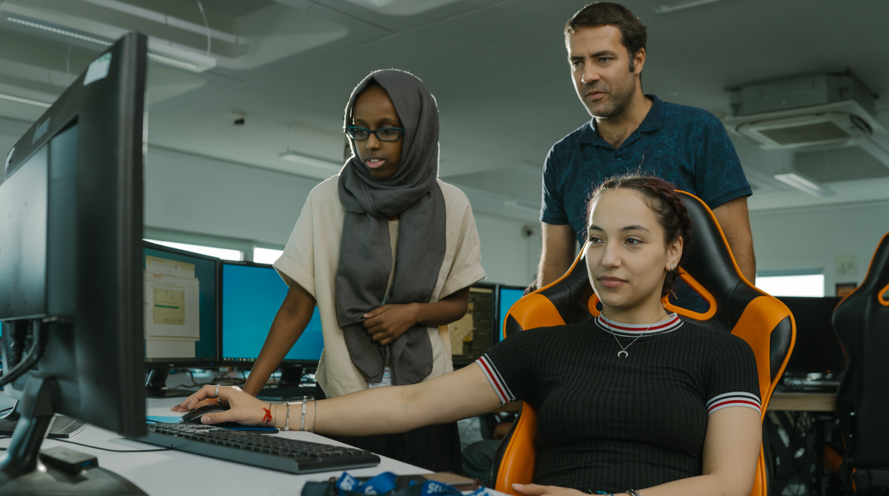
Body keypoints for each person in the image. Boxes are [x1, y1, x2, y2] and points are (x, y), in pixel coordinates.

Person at [176, 173, 763, 496]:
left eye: (633, 240)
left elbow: (732, 483)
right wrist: (272, 415)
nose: (608, 258)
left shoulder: (724, 352)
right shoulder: (544, 345)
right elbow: (411, 402)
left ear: (673, 252)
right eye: (596, 238)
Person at [233, 69, 486, 472]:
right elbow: (298, 306)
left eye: (388, 131)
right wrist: (247, 393)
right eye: (359, 130)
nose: (369, 143)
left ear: (417, 131)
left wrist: (413, 313)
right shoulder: (325, 199)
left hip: (426, 399)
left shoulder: (453, 205)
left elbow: (458, 303)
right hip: (342, 400)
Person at [536, 2, 756, 291]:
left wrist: (734, 330)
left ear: (637, 60)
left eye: (603, 59)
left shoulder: (698, 130)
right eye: (577, 62)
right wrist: (541, 335)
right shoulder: (562, 157)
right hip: (597, 329)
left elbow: (737, 247)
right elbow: (555, 265)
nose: (587, 75)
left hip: (692, 329)